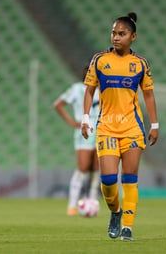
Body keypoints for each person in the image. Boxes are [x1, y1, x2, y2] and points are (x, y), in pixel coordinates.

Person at [81, 12, 159, 241]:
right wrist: (85, 118)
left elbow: (149, 95)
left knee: (130, 177)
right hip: (106, 127)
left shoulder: (140, 64)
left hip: (132, 128)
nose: (116, 37)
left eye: (121, 34)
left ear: (133, 37)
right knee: (107, 181)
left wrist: (154, 125)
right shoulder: (100, 60)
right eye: (114, 33)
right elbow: (89, 90)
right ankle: (115, 211)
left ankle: (127, 227)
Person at [53, 68, 100, 216]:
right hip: (84, 130)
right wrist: (72, 122)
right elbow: (58, 104)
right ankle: (72, 205)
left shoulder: (104, 90)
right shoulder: (77, 89)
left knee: (96, 169)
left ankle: (92, 202)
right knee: (83, 167)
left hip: (101, 130)